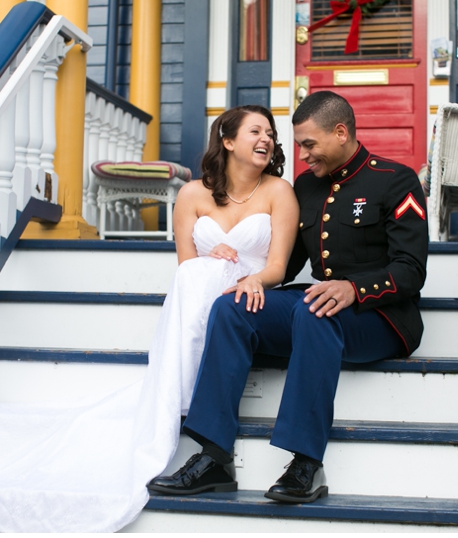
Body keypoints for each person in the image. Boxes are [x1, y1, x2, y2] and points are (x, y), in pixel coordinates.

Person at [0, 105, 299, 532]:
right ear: (229, 140)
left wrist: (251, 278)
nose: (266, 139)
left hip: (249, 300)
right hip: (199, 295)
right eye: (256, 131)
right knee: (199, 271)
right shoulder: (192, 195)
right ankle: (187, 381)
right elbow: (185, 264)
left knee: (209, 279)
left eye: (270, 134)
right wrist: (210, 255)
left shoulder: (278, 192)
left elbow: (277, 267)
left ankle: (194, 392)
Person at [148, 90, 429, 503]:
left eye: (309, 145)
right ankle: (213, 457)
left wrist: (353, 289)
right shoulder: (306, 187)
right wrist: (248, 279)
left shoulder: (395, 180)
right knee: (232, 307)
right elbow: (288, 262)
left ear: (340, 132)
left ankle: (305, 464)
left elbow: (411, 269)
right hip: (317, 306)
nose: (302, 154)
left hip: (381, 316)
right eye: (298, 145)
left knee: (315, 312)